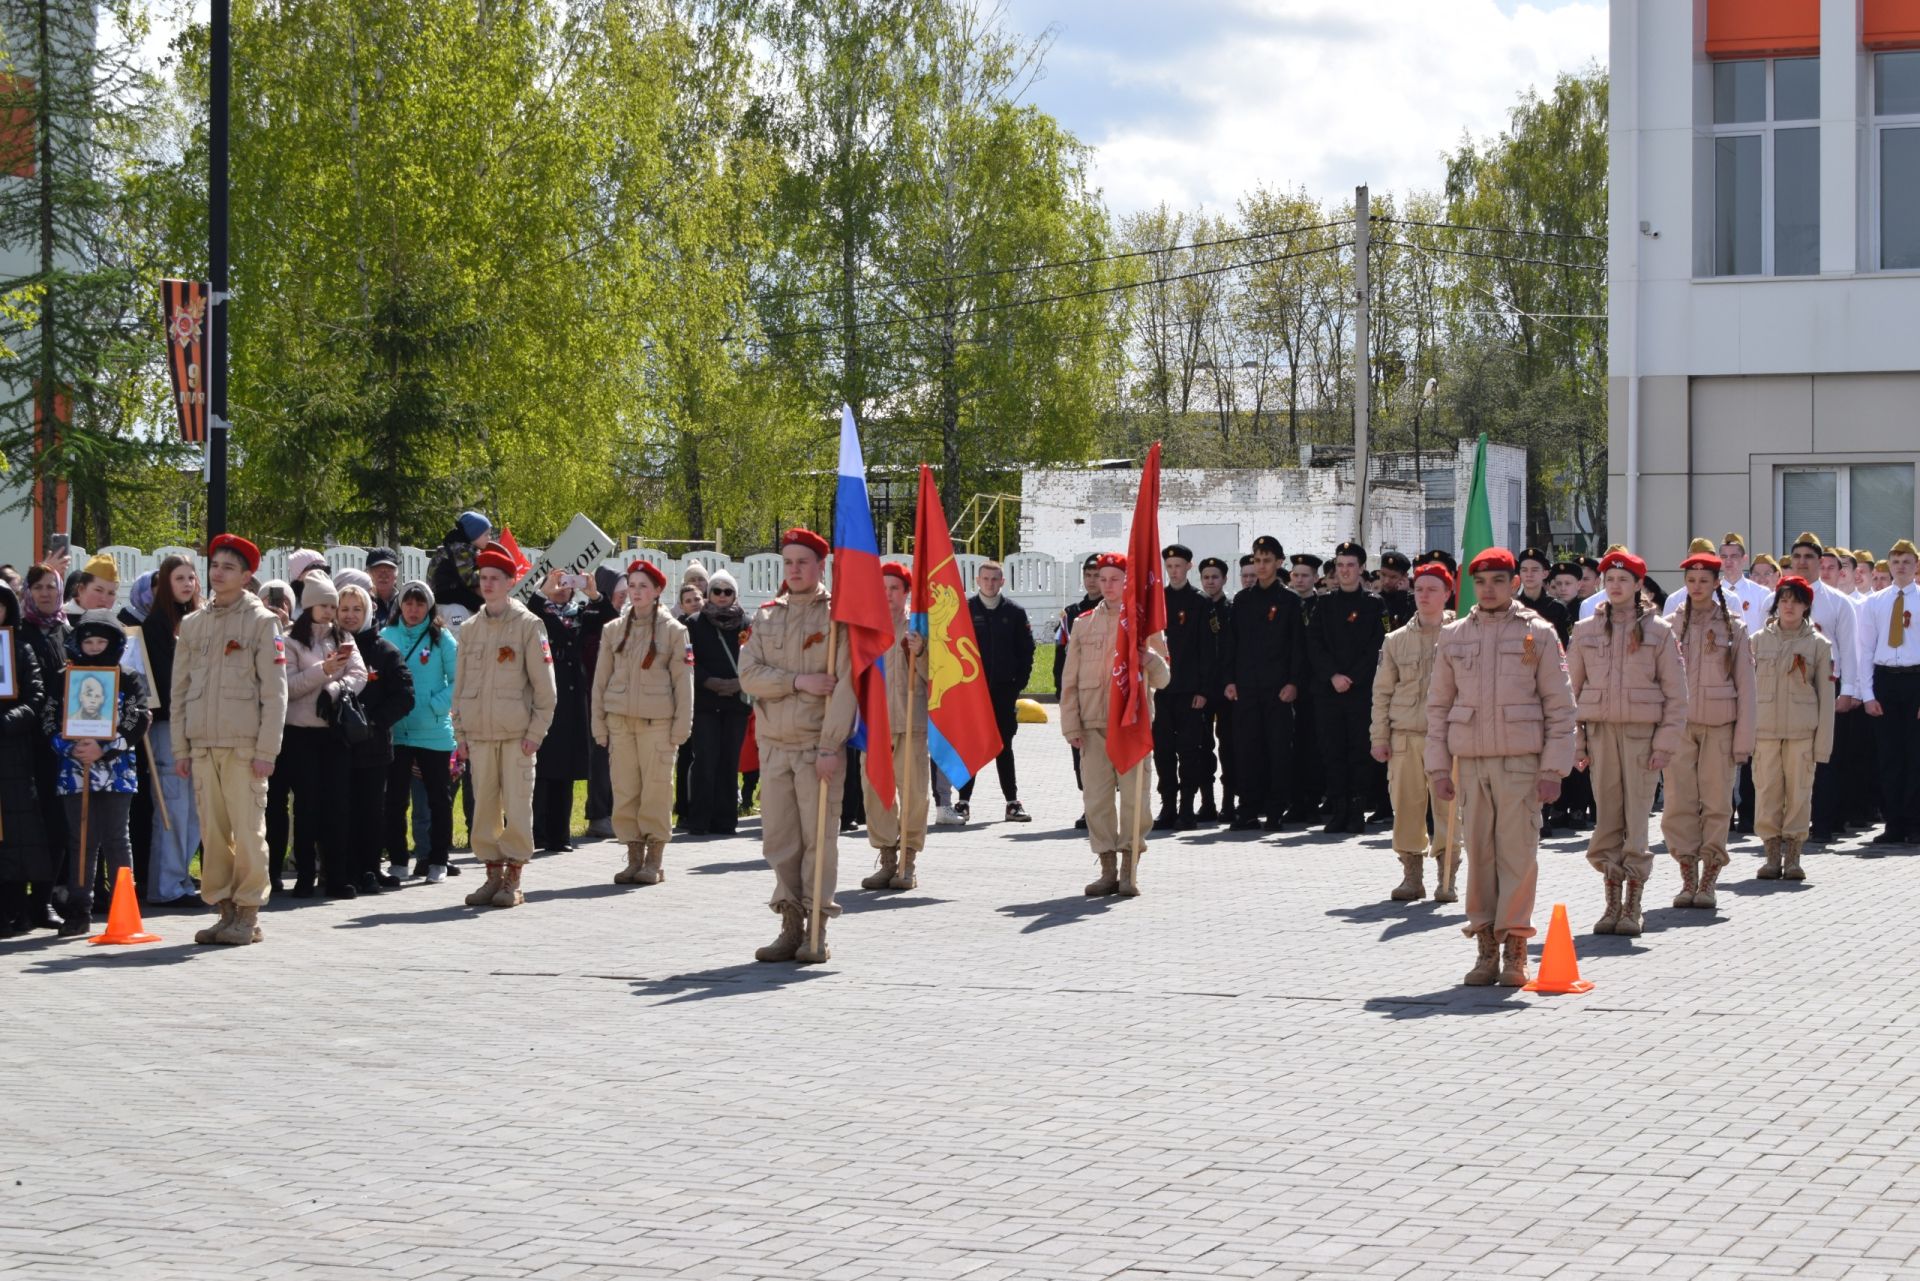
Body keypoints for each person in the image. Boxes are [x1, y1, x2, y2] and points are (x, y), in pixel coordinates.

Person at [1426, 548, 1577, 987]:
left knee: (1517, 856)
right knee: (1480, 857)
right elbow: (1437, 707)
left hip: (1521, 765)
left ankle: (1515, 947)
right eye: (1481, 581)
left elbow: (1561, 707)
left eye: (1498, 580)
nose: (1488, 589)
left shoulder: (1540, 633)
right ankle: (1484, 946)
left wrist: (1553, 771)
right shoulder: (1454, 636)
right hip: (1471, 764)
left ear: (1515, 583)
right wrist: (1438, 767)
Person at [739, 528, 855, 964]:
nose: (794, 570)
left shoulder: (836, 617)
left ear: (820, 565)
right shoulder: (768, 616)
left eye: (802, 562)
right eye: (788, 562)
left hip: (815, 748)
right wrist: (796, 681)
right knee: (780, 840)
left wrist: (830, 747)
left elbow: (845, 688)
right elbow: (747, 674)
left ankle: (817, 928)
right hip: (774, 747)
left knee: (818, 840)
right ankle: (790, 924)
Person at [172, 534, 288, 946]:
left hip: (243, 747)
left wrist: (266, 751)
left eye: (228, 567)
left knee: (248, 830)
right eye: (215, 565)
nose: (217, 573)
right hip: (203, 745)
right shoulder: (193, 624)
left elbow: (275, 693)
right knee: (213, 833)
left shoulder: (261, 622)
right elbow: (180, 690)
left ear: (246, 576)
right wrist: (181, 748)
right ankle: (223, 910)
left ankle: (249, 913)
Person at [1568, 549, 1687, 937]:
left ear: (1639, 585)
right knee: (1607, 821)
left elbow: (1675, 694)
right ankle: (1611, 902)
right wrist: (1577, 744)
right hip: (1601, 736)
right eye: (1609, 579)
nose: (1615, 586)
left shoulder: (1659, 631)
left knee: (1636, 819)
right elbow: (1570, 693)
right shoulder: (1586, 630)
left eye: (1623, 580)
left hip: (1641, 738)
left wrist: (1665, 743)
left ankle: (1633, 904)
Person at [1060, 552, 1170, 898]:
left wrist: (1148, 658)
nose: (1106, 585)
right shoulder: (1083, 623)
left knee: (1135, 800)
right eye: (1100, 578)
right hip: (1093, 724)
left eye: (1114, 579)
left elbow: (1164, 679)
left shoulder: (1144, 624)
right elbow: (1069, 681)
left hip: (1131, 725)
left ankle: (1129, 868)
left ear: (1127, 582)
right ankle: (1107, 868)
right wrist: (1070, 725)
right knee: (1096, 799)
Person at [453, 546, 557, 909]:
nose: (488, 584)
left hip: (517, 737)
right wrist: (461, 734)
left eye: (496, 578)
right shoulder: (469, 629)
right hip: (480, 737)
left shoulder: (529, 626)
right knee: (483, 809)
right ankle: (491, 876)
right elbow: (461, 686)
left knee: (517, 807)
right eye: (483, 578)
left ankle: (513, 878)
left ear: (512, 582)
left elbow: (546, 689)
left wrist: (535, 733)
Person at [45, 610, 151, 936]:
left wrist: (106, 748)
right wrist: (71, 749)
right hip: (75, 771)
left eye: (100, 640)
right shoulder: (64, 677)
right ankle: (80, 910)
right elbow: (50, 717)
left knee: (117, 838)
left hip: (117, 772)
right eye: (88, 641)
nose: (93, 646)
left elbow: (138, 718)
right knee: (82, 839)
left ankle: (124, 906)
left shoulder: (129, 677)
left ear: (114, 642)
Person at [1662, 543, 1755, 911]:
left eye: (1704, 579)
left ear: (1717, 581)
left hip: (1720, 726)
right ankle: (1687, 876)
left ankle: (1709, 878)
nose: (1697, 586)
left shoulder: (1733, 625)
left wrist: (1743, 739)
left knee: (1716, 803)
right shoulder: (1670, 626)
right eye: (1691, 580)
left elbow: (1746, 686)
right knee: (1678, 804)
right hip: (1680, 727)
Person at [590, 560, 693, 887]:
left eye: (643, 586)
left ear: (658, 590)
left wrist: (681, 727)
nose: (636, 593)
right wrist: (599, 724)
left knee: (656, 792)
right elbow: (600, 681)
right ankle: (634, 858)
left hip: (657, 725)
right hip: (620, 723)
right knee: (625, 791)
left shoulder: (674, 631)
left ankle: (654, 860)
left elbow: (683, 681)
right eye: (631, 586)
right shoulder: (613, 630)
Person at [1370, 562, 1457, 903]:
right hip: (1405, 735)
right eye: (1419, 589)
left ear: (1448, 593)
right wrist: (1379, 738)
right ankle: (1412, 875)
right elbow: (1382, 693)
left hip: (1448, 738)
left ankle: (1447, 876)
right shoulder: (1395, 640)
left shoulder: (1461, 635)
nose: (1424, 596)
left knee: (1449, 810)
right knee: (1406, 807)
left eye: (1433, 589)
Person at [279, 574, 367, 898]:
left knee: (337, 806)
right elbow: (288, 685)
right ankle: (304, 875)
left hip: (334, 734)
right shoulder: (290, 639)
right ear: (309, 606)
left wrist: (333, 689)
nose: (331, 611)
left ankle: (336, 875)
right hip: (301, 735)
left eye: (334, 605)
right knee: (306, 807)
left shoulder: (343, 637)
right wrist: (325, 671)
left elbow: (359, 675)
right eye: (324, 605)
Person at [526, 566, 613, 853]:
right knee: (542, 768)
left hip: (574, 696)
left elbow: (610, 619)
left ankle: (559, 834)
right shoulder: (538, 612)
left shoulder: (580, 614)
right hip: (544, 694)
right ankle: (536, 831)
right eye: (558, 584)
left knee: (564, 769)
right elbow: (530, 610)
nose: (563, 589)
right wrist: (544, 593)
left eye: (567, 584)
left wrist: (595, 594)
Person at [1752, 576, 1833, 880]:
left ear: (1806, 606)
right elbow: (1747, 692)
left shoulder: (1818, 645)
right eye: (1784, 600)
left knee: (1799, 794)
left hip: (1802, 734)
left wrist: (1822, 745)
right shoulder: (1758, 640)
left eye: (1796, 600)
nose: (1789, 606)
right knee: (1767, 792)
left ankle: (1795, 856)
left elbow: (1826, 698)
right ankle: (1772, 855)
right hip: (1765, 732)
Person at [1225, 535, 1305, 831]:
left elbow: (1297, 647)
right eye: (1257, 560)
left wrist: (1293, 682)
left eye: (1267, 560)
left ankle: (1274, 810)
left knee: (1278, 751)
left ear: (1279, 563)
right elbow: (1232, 644)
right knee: (1247, 750)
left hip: (1277, 689)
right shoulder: (1243, 600)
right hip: (1246, 688)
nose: (1261, 566)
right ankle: (1247, 808)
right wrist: (1230, 680)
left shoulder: (1289, 600)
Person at [1306, 541, 1386, 834]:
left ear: (1362, 569)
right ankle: (1338, 808)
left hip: (1361, 691)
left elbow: (1378, 646)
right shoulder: (1324, 604)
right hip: (1329, 691)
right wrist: (1333, 675)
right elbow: (1314, 644)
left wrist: (1352, 677)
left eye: (1351, 565)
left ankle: (1356, 808)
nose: (1345, 571)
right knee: (1332, 750)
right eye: (1340, 566)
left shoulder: (1374, 604)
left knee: (1359, 751)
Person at [382, 581, 459, 882]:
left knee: (439, 799)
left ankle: (437, 860)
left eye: (420, 604)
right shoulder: (387, 637)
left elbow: (458, 679)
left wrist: (435, 706)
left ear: (429, 607)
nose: (413, 610)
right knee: (396, 801)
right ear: (400, 605)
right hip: (398, 733)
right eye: (408, 603)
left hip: (435, 733)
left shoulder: (442, 638)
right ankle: (399, 860)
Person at [858, 563, 929, 891]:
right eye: (882, 589)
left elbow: (936, 678)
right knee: (876, 795)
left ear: (906, 593)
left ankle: (907, 861)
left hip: (909, 723)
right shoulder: (866, 630)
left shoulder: (918, 630)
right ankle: (887, 858)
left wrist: (922, 652)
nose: (887, 596)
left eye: (894, 589)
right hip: (874, 727)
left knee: (912, 794)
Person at [1786, 533, 1861, 844]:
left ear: (1821, 563)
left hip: (1827, 685)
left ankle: (1824, 823)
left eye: (1809, 557)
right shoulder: (1777, 599)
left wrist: (1850, 690)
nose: (1803, 562)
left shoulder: (1837, 601)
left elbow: (1850, 648)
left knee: (1825, 757)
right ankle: (1789, 824)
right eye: (1798, 557)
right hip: (1787, 687)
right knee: (1789, 758)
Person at [337, 583, 413, 892]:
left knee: (371, 811)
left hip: (373, 748)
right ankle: (341, 870)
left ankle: (370, 869)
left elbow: (405, 696)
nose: (350, 616)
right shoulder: (328, 646)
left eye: (357, 609)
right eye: (344, 609)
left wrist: (373, 721)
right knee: (340, 811)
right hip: (335, 748)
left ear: (368, 612)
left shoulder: (384, 651)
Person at [139, 555, 203, 906]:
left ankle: (180, 879)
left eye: (191, 578)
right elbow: (164, 683)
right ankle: (164, 886)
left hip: (197, 727)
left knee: (193, 808)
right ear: (165, 583)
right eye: (180, 578)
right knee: (172, 805)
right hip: (167, 727)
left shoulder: (196, 622)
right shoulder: (156, 627)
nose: (187, 584)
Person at [962, 560, 1035, 823]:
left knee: (1004, 746)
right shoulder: (966, 610)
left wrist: (1018, 683)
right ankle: (962, 802)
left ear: (1002, 582)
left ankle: (1012, 803)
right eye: (986, 579)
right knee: (971, 745)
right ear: (978, 581)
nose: (990, 584)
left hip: (1004, 692)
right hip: (972, 693)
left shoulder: (1014, 612)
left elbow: (1027, 651)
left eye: (995, 579)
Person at [1859, 539, 1920, 845]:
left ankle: (1915, 823)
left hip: (1915, 680)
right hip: (1885, 680)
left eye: (1907, 562)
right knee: (1889, 756)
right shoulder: (1876, 602)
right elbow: (1866, 648)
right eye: (1895, 562)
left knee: (1915, 756)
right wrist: (1868, 694)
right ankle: (1893, 823)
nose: (1901, 567)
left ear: (1916, 566)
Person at [0, 582, 50, 938]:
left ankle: (15, 911)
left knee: (15, 837)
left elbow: (36, 698)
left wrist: (6, 722)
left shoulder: (20, 649)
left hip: (12, 755)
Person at [686, 569, 750, 835]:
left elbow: (756, 658)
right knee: (705, 760)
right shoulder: (694, 622)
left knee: (728, 761)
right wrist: (708, 681)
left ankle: (726, 820)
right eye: (716, 591)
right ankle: (699, 820)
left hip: (736, 703)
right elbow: (687, 661)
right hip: (705, 701)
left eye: (728, 591)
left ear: (734, 595)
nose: (722, 596)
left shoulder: (747, 623)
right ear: (709, 594)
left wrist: (739, 683)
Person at [1153, 543, 1211, 830]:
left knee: (1189, 751)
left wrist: (1203, 690)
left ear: (1189, 566)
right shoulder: (1157, 602)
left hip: (1189, 691)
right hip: (1161, 691)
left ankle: (1187, 806)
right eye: (1169, 566)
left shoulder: (1200, 603)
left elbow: (1206, 650)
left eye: (1179, 566)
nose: (1174, 571)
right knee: (1163, 751)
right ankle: (1168, 806)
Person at [1053, 553, 1101, 827]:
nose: (1092, 581)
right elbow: (1061, 657)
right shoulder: (1071, 614)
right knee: (1080, 752)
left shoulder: (1114, 611)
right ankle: (1088, 805)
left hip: (1103, 694)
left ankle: (1106, 805)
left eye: (1097, 575)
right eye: (1089, 575)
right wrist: (1061, 692)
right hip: (1079, 695)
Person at [429, 510, 493, 623]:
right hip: (446, 592)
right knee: (481, 606)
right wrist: (487, 579)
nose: (489, 538)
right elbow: (467, 578)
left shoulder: (462, 548)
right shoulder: (460, 550)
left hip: (448, 590)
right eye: (486, 534)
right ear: (474, 535)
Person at [1515, 548, 1570, 640]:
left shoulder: (1558, 608)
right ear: (1519, 573)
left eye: (1534, 570)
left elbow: (1564, 645)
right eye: (1524, 570)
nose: (1529, 574)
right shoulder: (1513, 607)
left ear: (1545, 574)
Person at [365, 547, 402, 629]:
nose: (383, 575)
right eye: (378, 570)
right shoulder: (362, 602)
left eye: (388, 570)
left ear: (396, 575)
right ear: (368, 573)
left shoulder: (404, 602)